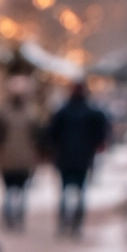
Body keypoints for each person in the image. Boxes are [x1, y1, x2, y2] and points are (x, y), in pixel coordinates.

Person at [45, 80, 111, 237]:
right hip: (83, 157)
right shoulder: (92, 113)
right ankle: (76, 224)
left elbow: (52, 133)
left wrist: (52, 150)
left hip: (65, 157)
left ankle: (63, 223)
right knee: (80, 191)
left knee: (64, 191)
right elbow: (101, 133)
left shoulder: (62, 112)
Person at [0, 80, 41, 232]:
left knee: (8, 191)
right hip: (23, 159)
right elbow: (37, 137)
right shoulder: (31, 114)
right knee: (21, 191)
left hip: (9, 158)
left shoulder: (4, 113)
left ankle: (10, 217)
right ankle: (17, 218)